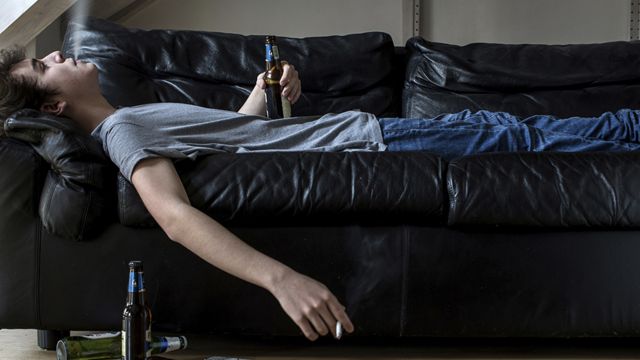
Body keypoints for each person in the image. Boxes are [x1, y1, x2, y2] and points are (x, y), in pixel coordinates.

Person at [2, 48, 640, 341]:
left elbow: (246, 138)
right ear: (56, 102)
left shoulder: (129, 118)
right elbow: (172, 216)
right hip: (377, 142)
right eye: (45, 64)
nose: (58, 52)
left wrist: (265, 90)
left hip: (370, 137)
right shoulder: (120, 131)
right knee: (540, 135)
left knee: (539, 135)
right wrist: (282, 280)